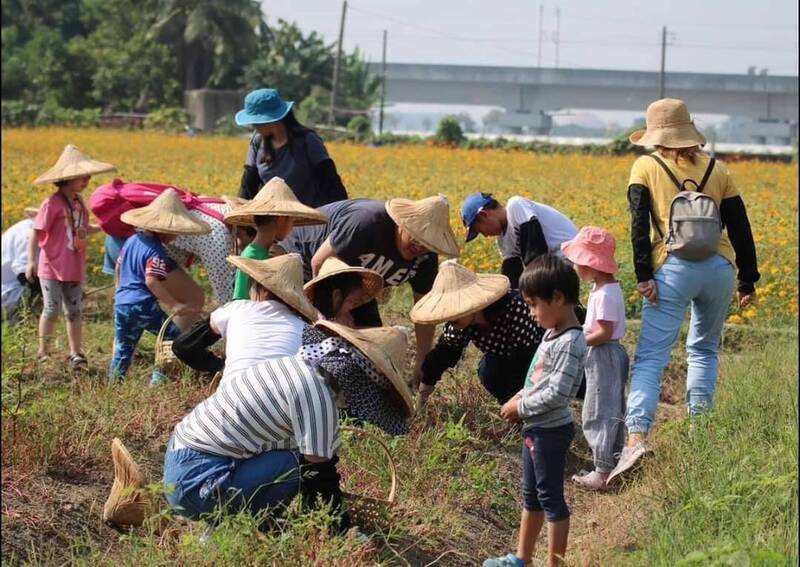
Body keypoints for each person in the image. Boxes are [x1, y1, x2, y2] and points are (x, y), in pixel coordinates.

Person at [607, 98, 759, 484]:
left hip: (671, 268)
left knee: (652, 357)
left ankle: (637, 437)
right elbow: (740, 226)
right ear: (689, 131)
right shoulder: (718, 168)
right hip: (719, 268)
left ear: (655, 135)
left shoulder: (645, 166)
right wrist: (747, 279)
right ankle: (700, 434)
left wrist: (643, 274)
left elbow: (638, 225)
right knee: (704, 349)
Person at [162, 321, 413, 532]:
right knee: (297, 464)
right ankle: (229, 525)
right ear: (362, 382)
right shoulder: (318, 394)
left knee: (297, 455)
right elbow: (319, 475)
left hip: (182, 465)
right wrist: (339, 530)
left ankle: (241, 521)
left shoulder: (296, 366)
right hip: (198, 484)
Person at [278, 194, 460, 383]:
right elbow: (319, 262)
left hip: (356, 283)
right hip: (306, 259)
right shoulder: (368, 222)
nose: (419, 247)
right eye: (415, 238)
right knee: (320, 329)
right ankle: (305, 381)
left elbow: (424, 311)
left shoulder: (425, 258)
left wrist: (422, 358)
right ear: (403, 223)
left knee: (371, 344)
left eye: (426, 244)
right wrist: (334, 311)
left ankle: (350, 390)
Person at [486, 254, 586, 567]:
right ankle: (522, 559)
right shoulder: (551, 334)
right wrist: (519, 396)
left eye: (533, 304)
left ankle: (554, 563)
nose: (530, 313)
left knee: (551, 498)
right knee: (531, 496)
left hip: (550, 432)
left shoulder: (571, 341)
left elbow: (559, 394)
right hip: (536, 429)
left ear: (557, 298)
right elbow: (537, 379)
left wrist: (521, 406)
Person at [109, 189, 211, 384]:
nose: (176, 237)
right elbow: (151, 281)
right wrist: (174, 305)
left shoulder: (132, 240)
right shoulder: (157, 252)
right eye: (175, 232)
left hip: (122, 304)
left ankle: (113, 385)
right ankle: (158, 382)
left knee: (123, 348)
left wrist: (119, 291)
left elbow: (119, 266)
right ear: (164, 229)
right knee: (172, 340)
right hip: (142, 304)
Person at [27, 145, 116, 368]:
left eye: (87, 176)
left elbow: (84, 229)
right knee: (51, 309)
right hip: (51, 266)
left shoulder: (78, 202)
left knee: (74, 311)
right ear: (66, 179)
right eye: (81, 176)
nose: (86, 180)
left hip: (74, 266)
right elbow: (37, 232)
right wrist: (31, 260)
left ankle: (76, 352)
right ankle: (43, 351)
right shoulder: (52, 203)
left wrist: (107, 226)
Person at [410, 260, 544, 407]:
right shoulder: (460, 323)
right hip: (502, 360)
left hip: (539, 359)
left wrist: (517, 404)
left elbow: (525, 359)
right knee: (488, 370)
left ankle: (527, 407)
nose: (451, 317)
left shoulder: (515, 309)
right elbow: (443, 354)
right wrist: (422, 395)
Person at [171, 254, 320, 383]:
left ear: (264, 289)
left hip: (231, 401)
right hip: (285, 407)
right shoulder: (305, 330)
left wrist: (220, 366)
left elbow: (184, 345)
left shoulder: (237, 308)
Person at [559, 227, 628, 491]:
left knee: (601, 410)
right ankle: (610, 465)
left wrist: (576, 340)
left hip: (604, 354)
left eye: (578, 261)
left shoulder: (606, 294)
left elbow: (604, 332)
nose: (575, 266)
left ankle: (603, 470)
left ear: (592, 264)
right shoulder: (602, 289)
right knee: (603, 407)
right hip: (603, 354)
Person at [236, 88, 348, 207]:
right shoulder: (257, 142)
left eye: (256, 122)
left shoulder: (308, 140)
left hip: (310, 216)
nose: (253, 126)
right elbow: (248, 187)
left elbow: (330, 182)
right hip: (271, 217)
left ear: (272, 120)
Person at [224, 176, 328, 300]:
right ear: (281, 219)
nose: (292, 228)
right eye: (292, 221)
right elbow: (241, 299)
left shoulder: (268, 253)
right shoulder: (252, 256)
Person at [460, 192, 578, 288]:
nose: (485, 235)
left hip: (570, 255)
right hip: (554, 264)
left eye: (480, 230)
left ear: (483, 215)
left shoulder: (516, 205)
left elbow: (536, 253)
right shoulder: (502, 241)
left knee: (540, 290)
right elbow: (513, 276)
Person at [303, 257, 384, 327]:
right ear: (337, 295)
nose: (353, 306)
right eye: (352, 301)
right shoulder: (315, 320)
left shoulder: (344, 314)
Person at [2, 208, 41, 323]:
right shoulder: (28, 234)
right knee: (46, 298)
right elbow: (25, 276)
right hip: (7, 292)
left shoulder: (29, 227)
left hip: (10, 290)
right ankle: (16, 330)